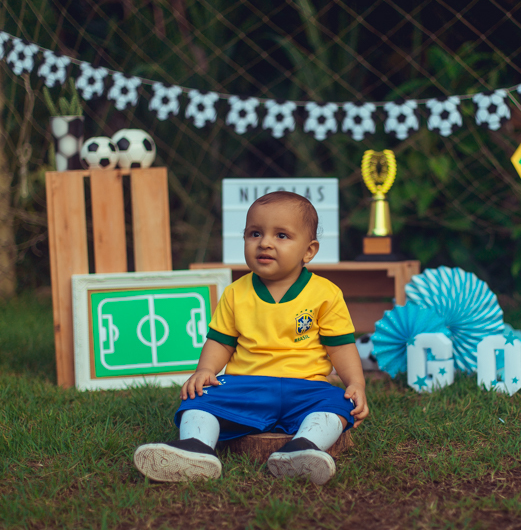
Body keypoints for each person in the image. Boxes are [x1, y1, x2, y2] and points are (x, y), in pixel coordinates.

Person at [134, 191, 369, 485]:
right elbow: (221, 341)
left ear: (308, 251)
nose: (265, 243)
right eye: (254, 233)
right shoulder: (236, 292)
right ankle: (196, 449)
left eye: (281, 235)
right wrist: (205, 370)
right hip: (246, 385)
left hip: (306, 387)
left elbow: (341, 347)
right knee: (198, 399)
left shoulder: (325, 293)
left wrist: (355, 384)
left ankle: (303, 448)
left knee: (336, 403)